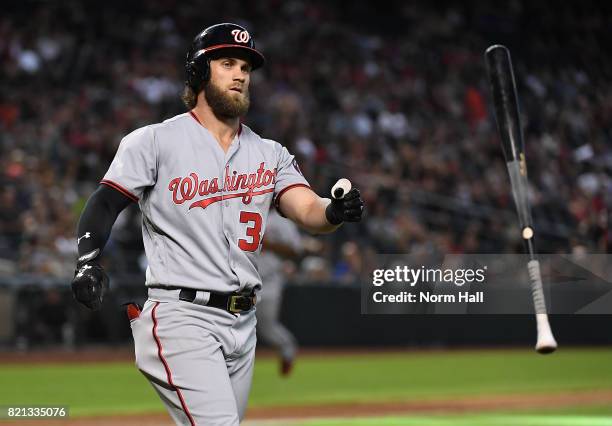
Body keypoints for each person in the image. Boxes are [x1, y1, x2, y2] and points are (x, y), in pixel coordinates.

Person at [70, 23, 364, 425]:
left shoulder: (269, 152)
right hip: (182, 318)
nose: (241, 73)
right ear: (198, 72)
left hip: (244, 322)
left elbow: (308, 209)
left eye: (246, 66)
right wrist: (87, 259)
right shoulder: (155, 141)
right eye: (227, 63)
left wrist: (334, 211)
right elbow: (105, 202)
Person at [256, 207, 302, 377]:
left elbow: (295, 250)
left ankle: (287, 349)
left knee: (267, 327)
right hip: (242, 280)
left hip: (269, 281)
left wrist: (269, 244)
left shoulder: (281, 221)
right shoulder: (242, 209)